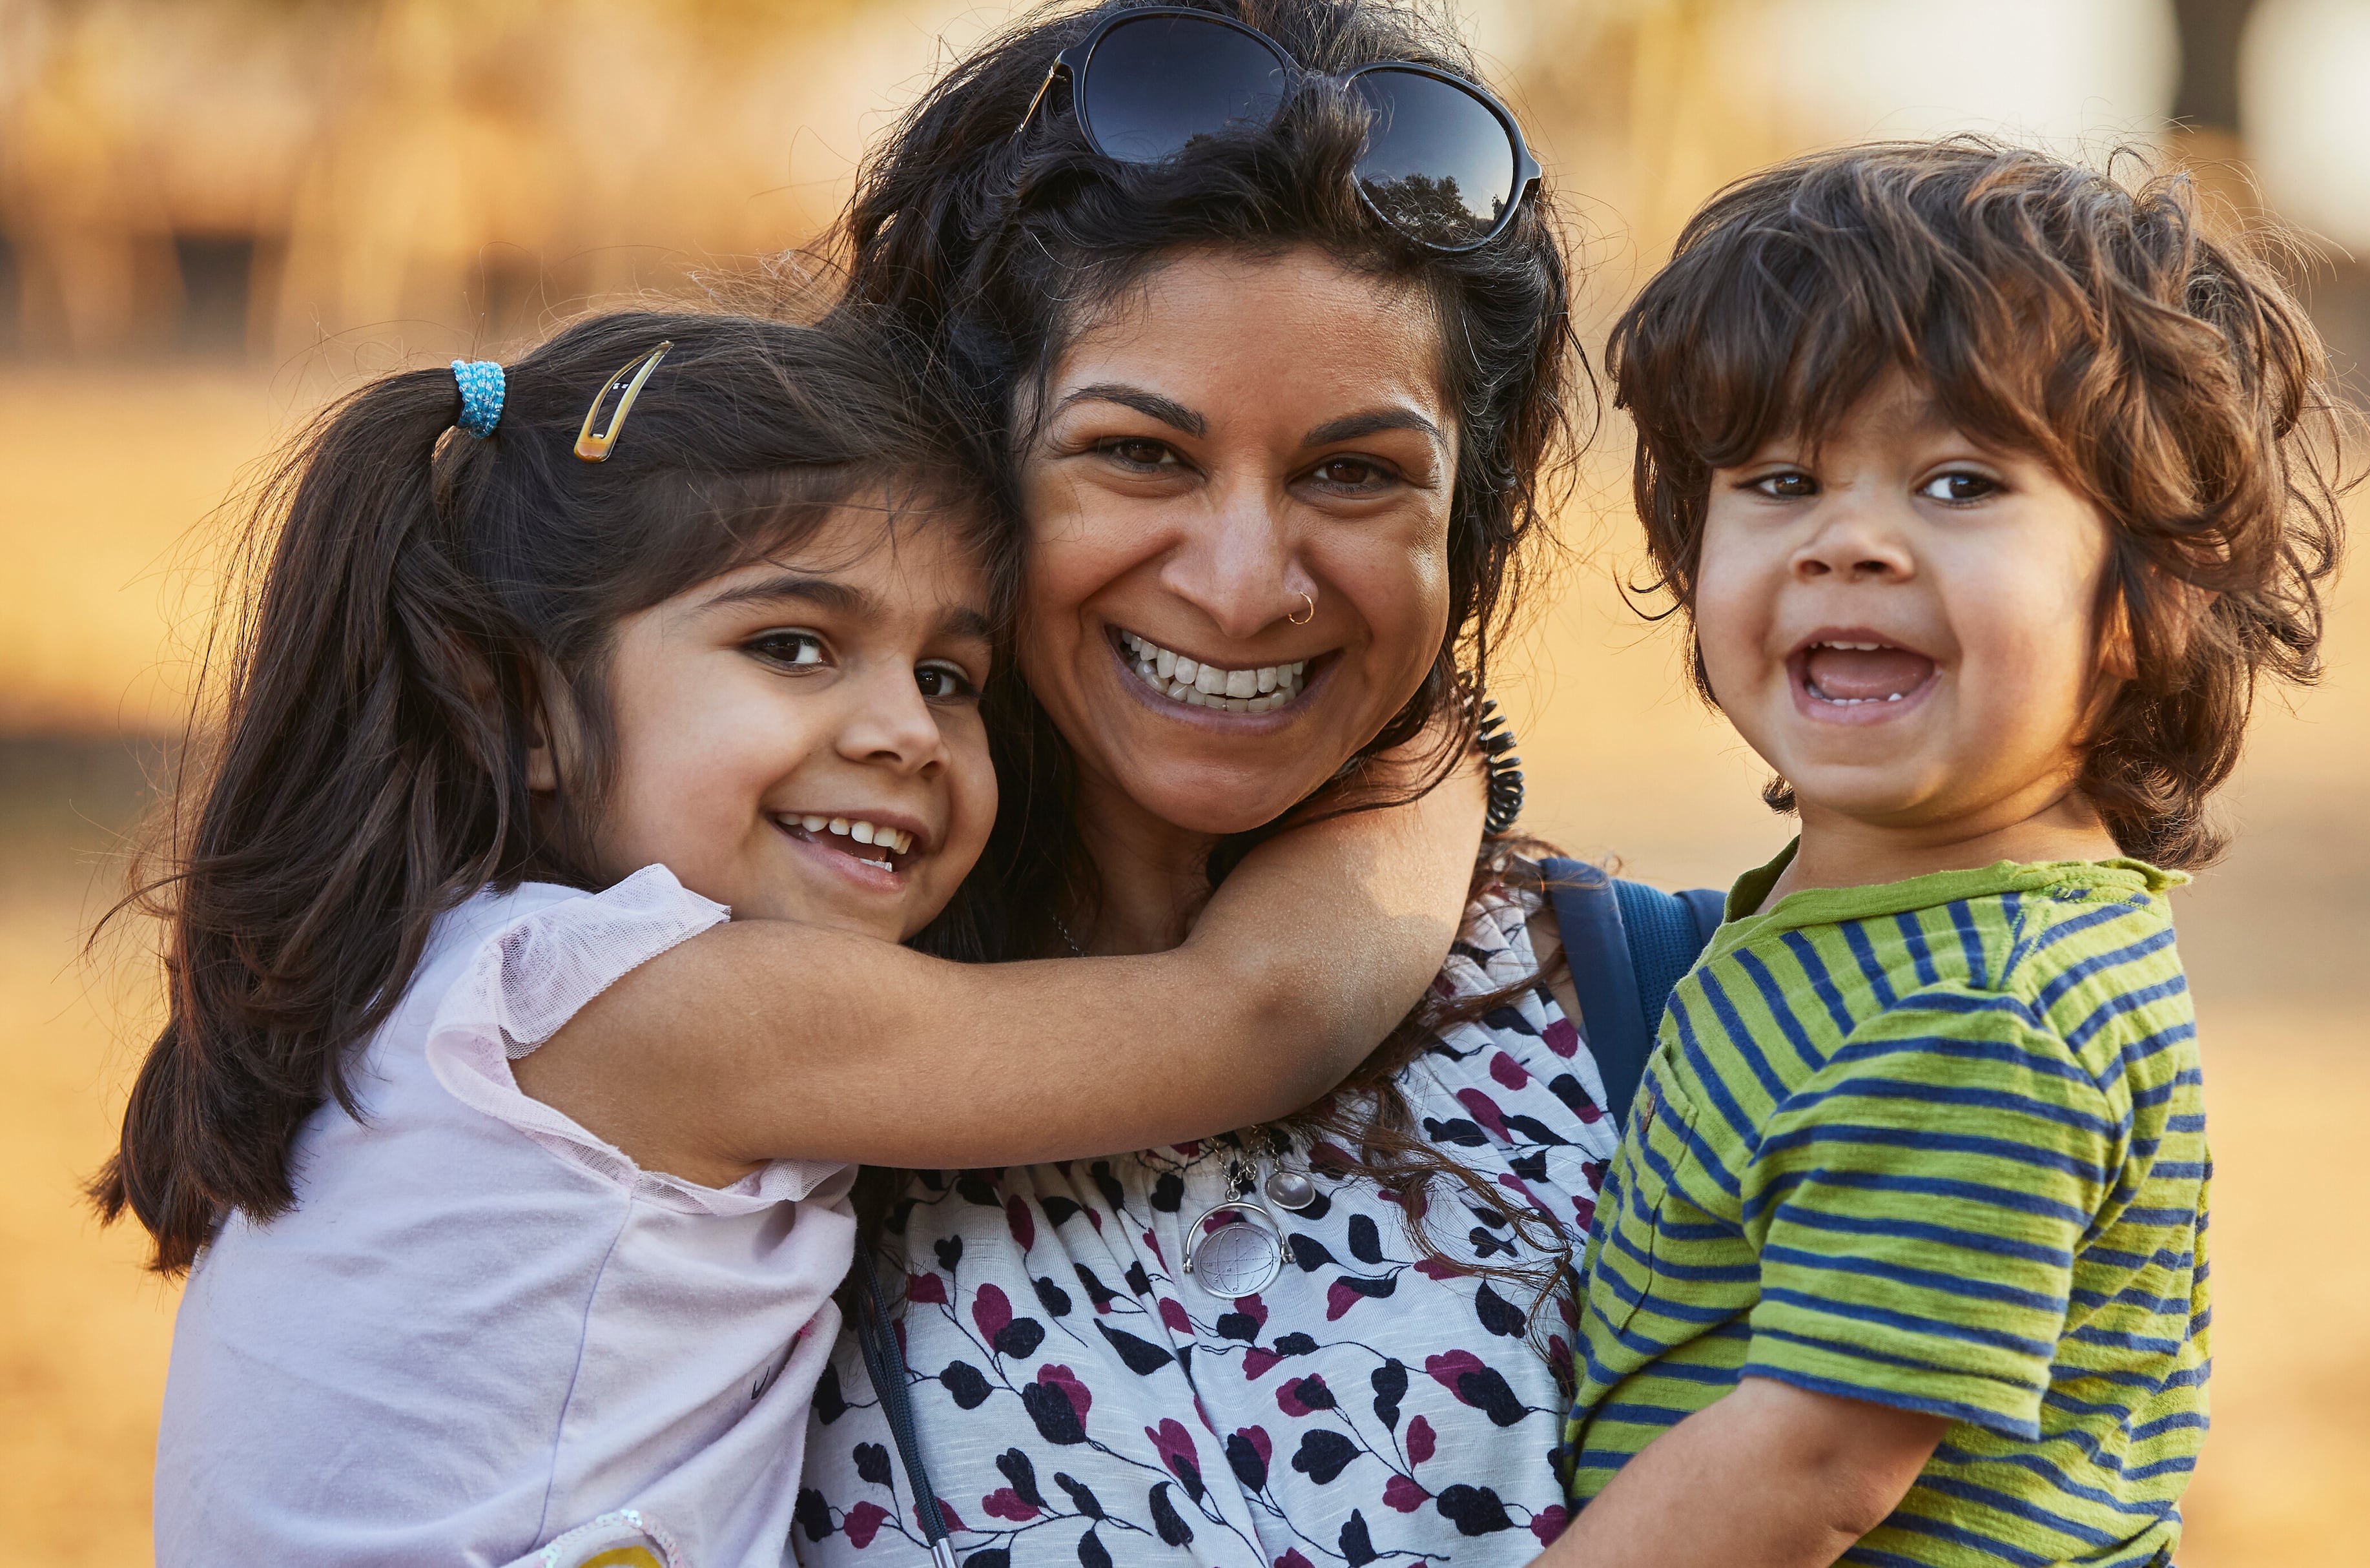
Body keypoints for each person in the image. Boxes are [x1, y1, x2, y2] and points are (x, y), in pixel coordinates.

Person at [108, 310, 1485, 1568]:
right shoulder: (651, 1009)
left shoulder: (445, 980)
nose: (903, 729)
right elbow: (1255, 1015)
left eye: (949, 676)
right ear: (520, 702)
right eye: (792, 646)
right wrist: (1434, 736)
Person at [788, 0, 1610, 1566]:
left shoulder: (1660, 1034)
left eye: (1358, 475)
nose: (1244, 584)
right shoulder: (742, 1030)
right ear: (962, 459)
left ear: (1476, 520)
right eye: (1141, 453)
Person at [1552, 140, 2357, 1568]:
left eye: (1961, 483)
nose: (1848, 540)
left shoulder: (1980, 1009)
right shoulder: (1891, 915)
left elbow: (1811, 1465)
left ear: (2149, 591)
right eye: (1782, 476)